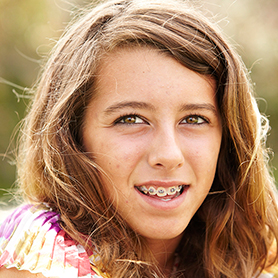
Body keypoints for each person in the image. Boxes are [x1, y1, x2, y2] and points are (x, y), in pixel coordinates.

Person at [1, 0, 278, 277]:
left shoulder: (248, 247)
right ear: (71, 136)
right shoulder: (40, 259)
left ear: (228, 137)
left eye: (194, 119)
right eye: (130, 119)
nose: (169, 155)